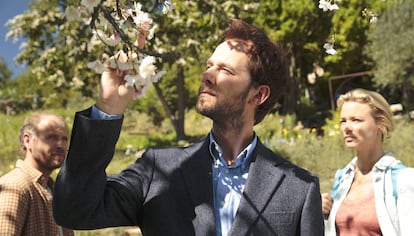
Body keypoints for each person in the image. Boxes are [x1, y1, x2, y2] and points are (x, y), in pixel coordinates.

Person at [53, 19, 324, 236]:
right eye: (209, 66)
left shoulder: (299, 188)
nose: (206, 75)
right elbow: (74, 211)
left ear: (258, 95)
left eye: (225, 71)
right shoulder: (157, 169)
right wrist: (108, 107)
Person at [322, 88, 414, 236]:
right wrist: (323, 214)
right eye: (343, 121)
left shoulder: (404, 179)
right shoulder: (342, 178)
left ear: (380, 124)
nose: (347, 127)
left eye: (356, 120)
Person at [0, 111, 74, 236]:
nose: (60, 145)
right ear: (27, 140)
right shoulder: (16, 187)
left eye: (64, 139)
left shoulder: (53, 189)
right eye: (52, 137)